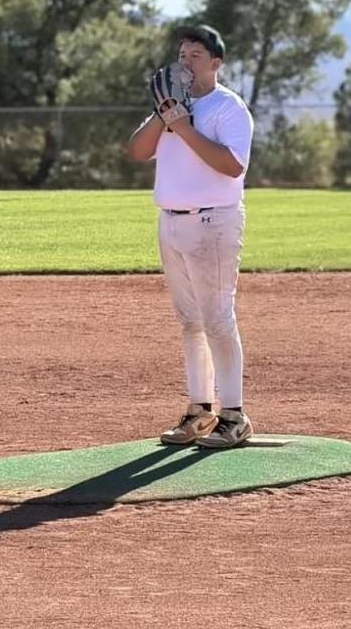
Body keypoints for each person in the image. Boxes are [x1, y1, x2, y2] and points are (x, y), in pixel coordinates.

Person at [128, 24, 254, 449]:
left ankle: (233, 415)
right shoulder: (170, 108)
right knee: (190, 322)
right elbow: (137, 151)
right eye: (182, 55)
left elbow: (232, 166)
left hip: (213, 221)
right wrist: (164, 115)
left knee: (217, 318)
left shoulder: (228, 107)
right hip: (171, 220)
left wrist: (181, 126)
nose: (185, 62)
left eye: (195, 55)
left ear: (216, 63)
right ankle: (199, 411)